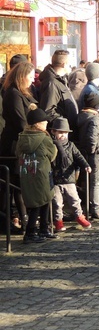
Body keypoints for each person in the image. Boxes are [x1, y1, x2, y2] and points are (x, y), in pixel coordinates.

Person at [0, 61, 37, 234]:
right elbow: (20, 121)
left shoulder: (23, 92)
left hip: (24, 141)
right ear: (22, 76)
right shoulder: (13, 94)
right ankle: (14, 221)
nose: (32, 80)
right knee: (14, 184)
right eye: (30, 77)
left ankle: (24, 220)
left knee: (20, 184)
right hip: (14, 144)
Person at [16, 108, 58, 243]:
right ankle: (31, 232)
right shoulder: (44, 138)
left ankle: (43, 229)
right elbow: (52, 154)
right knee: (43, 201)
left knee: (37, 202)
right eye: (44, 121)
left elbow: (18, 154)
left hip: (27, 174)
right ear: (38, 124)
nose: (46, 123)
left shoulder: (22, 137)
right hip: (42, 174)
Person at [50, 117, 92, 230]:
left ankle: (79, 216)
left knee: (75, 199)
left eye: (65, 133)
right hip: (55, 179)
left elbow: (79, 157)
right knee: (57, 202)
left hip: (69, 177)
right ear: (53, 132)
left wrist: (86, 165)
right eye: (60, 132)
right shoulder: (51, 145)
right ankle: (58, 221)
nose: (63, 135)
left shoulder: (71, 145)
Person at [77, 92, 99, 220]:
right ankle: (96, 209)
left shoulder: (82, 116)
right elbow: (92, 139)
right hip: (97, 156)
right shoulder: (94, 119)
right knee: (96, 183)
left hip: (91, 155)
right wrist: (92, 151)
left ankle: (93, 206)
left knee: (92, 183)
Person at [38, 49, 79, 133]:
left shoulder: (61, 80)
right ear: (64, 64)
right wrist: (63, 124)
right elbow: (48, 111)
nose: (71, 67)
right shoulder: (52, 83)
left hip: (67, 129)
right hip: (61, 132)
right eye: (70, 64)